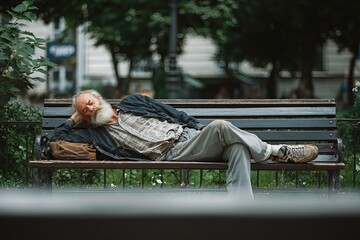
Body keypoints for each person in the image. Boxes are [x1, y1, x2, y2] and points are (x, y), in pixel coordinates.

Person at [51, 89, 319, 200]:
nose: (88, 109)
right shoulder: (96, 136)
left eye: (89, 102)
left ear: (100, 99)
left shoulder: (132, 102)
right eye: (83, 110)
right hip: (171, 152)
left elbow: (169, 111)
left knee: (237, 149)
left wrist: (195, 126)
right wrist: (73, 120)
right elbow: (55, 139)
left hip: (188, 137)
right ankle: (275, 152)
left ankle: (243, 215)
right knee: (221, 126)